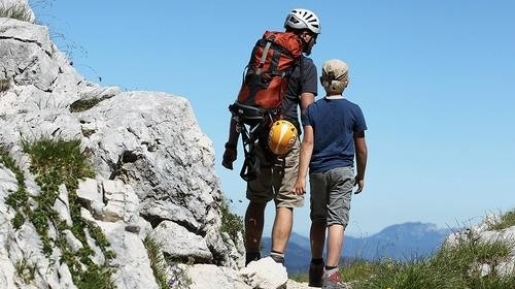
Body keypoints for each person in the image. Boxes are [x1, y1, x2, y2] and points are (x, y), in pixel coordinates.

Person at [222, 8, 321, 267]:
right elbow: (308, 110)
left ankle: (251, 258)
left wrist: (230, 146)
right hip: (286, 137)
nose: (313, 42)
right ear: (306, 36)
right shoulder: (306, 67)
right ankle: (275, 262)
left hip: (256, 134)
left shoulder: (260, 61)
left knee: (257, 199)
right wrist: (312, 145)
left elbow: (242, 101)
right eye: (314, 36)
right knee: (285, 202)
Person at [293, 59, 368, 288]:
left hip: (317, 171)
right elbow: (361, 149)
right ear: (347, 82)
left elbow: (307, 143)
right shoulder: (354, 110)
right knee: (336, 221)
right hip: (343, 170)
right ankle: (332, 274)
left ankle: (315, 267)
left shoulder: (312, 110)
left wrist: (300, 176)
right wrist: (361, 175)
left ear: (323, 82)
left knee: (318, 219)